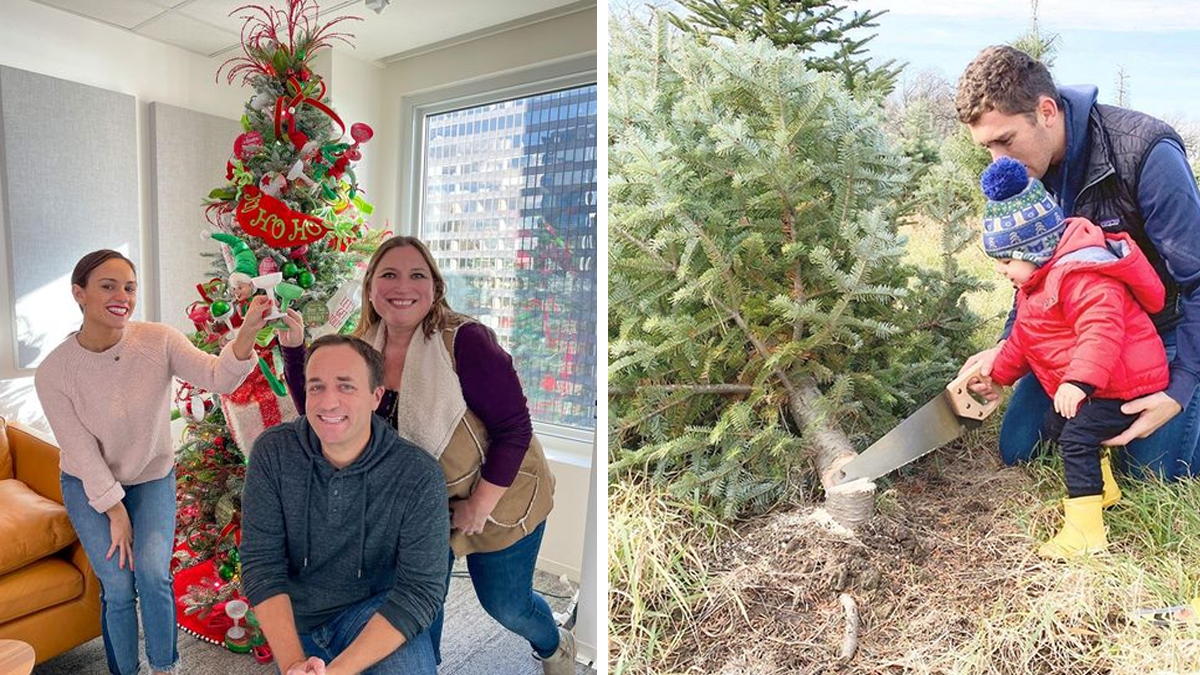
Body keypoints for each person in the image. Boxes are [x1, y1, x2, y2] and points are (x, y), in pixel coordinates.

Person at [280, 235, 576, 675]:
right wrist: (293, 350)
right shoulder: (361, 349)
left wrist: (478, 506)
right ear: (371, 288)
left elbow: (514, 429)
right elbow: (327, 414)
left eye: (417, 274)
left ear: (435, 287)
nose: (403, 286)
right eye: (389, 275)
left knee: (506, 605)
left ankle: (555, 644)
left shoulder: (466, 342)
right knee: (419, 602)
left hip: (500, 493)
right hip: (422, 507)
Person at [955, 44, 1200, 480]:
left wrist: (1180, 388)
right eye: (987, 146)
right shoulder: (1024, 175)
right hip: (1076, 332)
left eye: (1005, 140)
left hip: (1159, 332)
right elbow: (1031, 276)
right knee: (1021, 448)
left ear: (1046, 111)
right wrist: (1007, 346)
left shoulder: (1145, 152)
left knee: (1149, 472)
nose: (998, 161)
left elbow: (1198, 278)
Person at [34, 249, 271, 675]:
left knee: (152, 574)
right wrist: (115, 512)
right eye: (108, 286)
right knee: (117, 585)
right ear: (79, 293)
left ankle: (165, 667)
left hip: (151, 476)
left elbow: (217, 377)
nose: (122, 296)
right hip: (89, 483)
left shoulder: (158, 340)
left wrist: (248, 331)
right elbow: (82, 452)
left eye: (129, 287)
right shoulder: (54, 372)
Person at [978, 157, 1169, 558]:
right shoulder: (1035, 284)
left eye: (1006, 260)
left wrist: (1077, 381)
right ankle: (1104, 489)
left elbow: (1102, 331)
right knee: (1055, 424)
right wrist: (997, 374)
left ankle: (1086, 533)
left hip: (1123, 383)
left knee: (1077, 438)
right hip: (1102, 382)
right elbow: (1024, 340)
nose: (1000, 270)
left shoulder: (1083, 276)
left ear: (1034, 249)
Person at [241, 334, 449, 675]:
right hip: (296, 616)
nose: (328, 402)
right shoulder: (273, 452)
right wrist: (294, 664)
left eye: (346, 386)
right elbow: (262, 563)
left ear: (376, 396)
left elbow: (420, 591)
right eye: (316, 387)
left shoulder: (418, 475)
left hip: (372, 615)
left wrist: (336, 672)